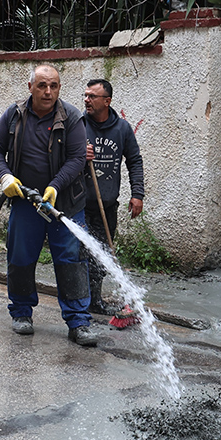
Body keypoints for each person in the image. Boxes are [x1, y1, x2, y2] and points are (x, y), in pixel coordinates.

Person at [0, 64, 97, 347]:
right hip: (26, 203)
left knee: (71, 262)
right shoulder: (14, 115)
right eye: (42, 86)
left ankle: (78, 322)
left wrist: (55, 186)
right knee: (20, 258)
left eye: (54, 86)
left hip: (66, 203)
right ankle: (22, 313)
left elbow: (76, 158)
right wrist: (5, 176)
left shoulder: (72, 117)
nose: (48, 92)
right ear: (30, 87)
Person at [81, 78, 145, 322]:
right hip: (80, 204)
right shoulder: (77, 125)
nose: (86, 100)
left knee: (103, 254)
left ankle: (94, 300)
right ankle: (80, 301)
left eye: (92, 96)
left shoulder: (122, 129)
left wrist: (137, 194)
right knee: (82, 253)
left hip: (107, 204)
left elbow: (134, 161)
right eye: (85, 95)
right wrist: (79, 152)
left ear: (106, 101)